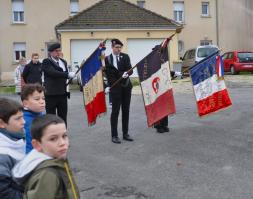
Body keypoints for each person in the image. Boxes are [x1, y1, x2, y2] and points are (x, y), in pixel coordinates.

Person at [12, 114, 80, 199]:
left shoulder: (55, 160)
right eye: (53, 139)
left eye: (64, 136)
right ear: (37, 144)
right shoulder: (47, 174)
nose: (62, 143)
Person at [105, 39, 134, 144]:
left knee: (126, 110)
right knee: (115, 111)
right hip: (115, 88)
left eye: (120, 47)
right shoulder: (107, 59)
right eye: (116, 47)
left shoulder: (125, 57)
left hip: (126, 87)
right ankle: (114, 135)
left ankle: (125, 133)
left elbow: (130, 69)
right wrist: (122, 74)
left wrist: (128, 73)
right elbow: (109, 74)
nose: (118, 49)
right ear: (112, 47)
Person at [42, 42, 75, 124]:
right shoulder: (46, 61)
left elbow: (65, 77)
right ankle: (51, 134)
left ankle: (63, 133)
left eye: (59, 50)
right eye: (56, 51)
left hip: (62, 93)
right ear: (50, 52)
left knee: (63, 116)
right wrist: (67, 75)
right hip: (51, 94)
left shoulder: (63, 62)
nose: (58, 52)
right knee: (51, 118)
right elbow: (52, 73)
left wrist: (71, 77)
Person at [0, 98, 25, 199]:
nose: (23, 122)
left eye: (22, 117)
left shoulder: (15, 137)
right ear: (1, 123)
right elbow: (3, 191)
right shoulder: (2, 155)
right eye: (18, 118)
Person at [21, 84, 45, 153]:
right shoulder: (25, 121)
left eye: (43, 98)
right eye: (37, 99)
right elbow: (29, 146)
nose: (42, 101)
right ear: (25, 103)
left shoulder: (41, 114)